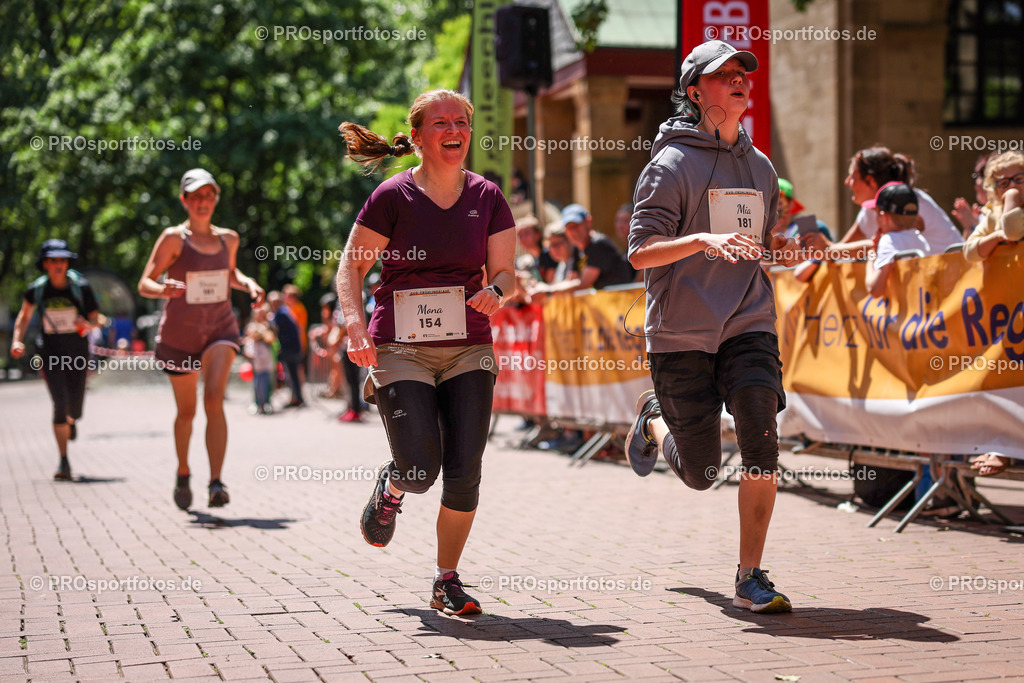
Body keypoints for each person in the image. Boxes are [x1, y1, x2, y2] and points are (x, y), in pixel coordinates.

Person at [625, 40, 801, 614]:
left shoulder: (763, 167)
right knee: (701, 473)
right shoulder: (671, 164)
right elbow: (640, 252)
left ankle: (751, 574)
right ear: (696, 92)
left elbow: (757, 247)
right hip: (681, 331)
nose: (739, 81)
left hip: (749, 321)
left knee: (760, 431)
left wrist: (790, 254)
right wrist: (702, 240)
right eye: (723, 75)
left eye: (742, 74)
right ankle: (656, 423)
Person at [337, 89, 515, 616]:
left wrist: (498, 292)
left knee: (465, 471)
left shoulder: (488, 196)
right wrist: (353, 324)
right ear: (416, 137)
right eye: (440, 123)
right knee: (419, 469)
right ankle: (392, 485)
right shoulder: (393, 196)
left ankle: (446, 579)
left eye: (461, 121)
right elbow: (351, 267)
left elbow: (504, 271)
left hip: (468, 345)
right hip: (401, 346)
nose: (453, 129)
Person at [138, 168, 265, 510]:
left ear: (215, 199)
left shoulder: (229, 239)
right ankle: (183, 472)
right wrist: (161, 288)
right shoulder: (173, 239)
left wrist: (249, 284)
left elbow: (231, 273)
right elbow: (145, 282)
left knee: (213, 400)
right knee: (187, 413)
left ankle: (216, 482)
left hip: (220, 329)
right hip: (180, 336)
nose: (203, 202)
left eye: (209, 195)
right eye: (195, 196)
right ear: (184, 200)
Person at [10, 239, 104, 480]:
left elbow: (98, 319)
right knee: (59, 403)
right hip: (50, 353)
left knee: (75, 406)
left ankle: (72, 420)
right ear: (45, 264)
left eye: (62, 260)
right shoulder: (37, 289)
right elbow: (24, 316)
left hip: (77, 354)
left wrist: (87, 324)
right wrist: (16, 341)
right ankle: (64, 461)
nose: (58, 264)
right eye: (53, 260)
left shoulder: (80, 287)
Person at [531, 204, 635, 293]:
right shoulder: (577, 249)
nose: (573, 231)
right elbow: (571, 279)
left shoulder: (598, 245)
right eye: (569, 228)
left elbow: (582, 284)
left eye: (576, 225)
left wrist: (548, 289)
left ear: (588, 222)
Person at [863, 183, 930, 298]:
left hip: (903, 312)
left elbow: (875, 289)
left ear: (884, 216)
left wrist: (871, 259)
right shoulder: (921, 239)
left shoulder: (888, 240)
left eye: (877, 213)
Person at [962, 150, 1024, 263]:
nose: (1012, 185)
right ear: (995, 192)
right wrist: (997, 236)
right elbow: (969, 253)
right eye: (1004, 183)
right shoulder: (994, 214)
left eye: (1019, 179)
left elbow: (1013, 233)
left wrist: (1011, 195)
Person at [268, 291, 305, 408]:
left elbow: (283, 333)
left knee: (291, 375)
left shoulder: (281, 314)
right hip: (292, 348)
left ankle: (296, 398)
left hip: (290, 349)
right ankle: (296, 397)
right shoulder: (284, 311)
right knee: (292, 374)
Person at [243, 303, 276, 415]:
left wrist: (261, 335)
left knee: (267, 381)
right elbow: (249, 337)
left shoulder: (269, 326)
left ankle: (266, 403)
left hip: (266, 358)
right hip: (255, 359)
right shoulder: (251, 326)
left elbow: (271, 339)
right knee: (256, 383)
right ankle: (256, 403)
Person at [952, 153, 993, 237]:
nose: (976, 183)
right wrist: (969, 227)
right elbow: (966, 247)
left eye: (978, 176)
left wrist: (973, 226)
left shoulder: (1003, 212)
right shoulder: (983, 214)